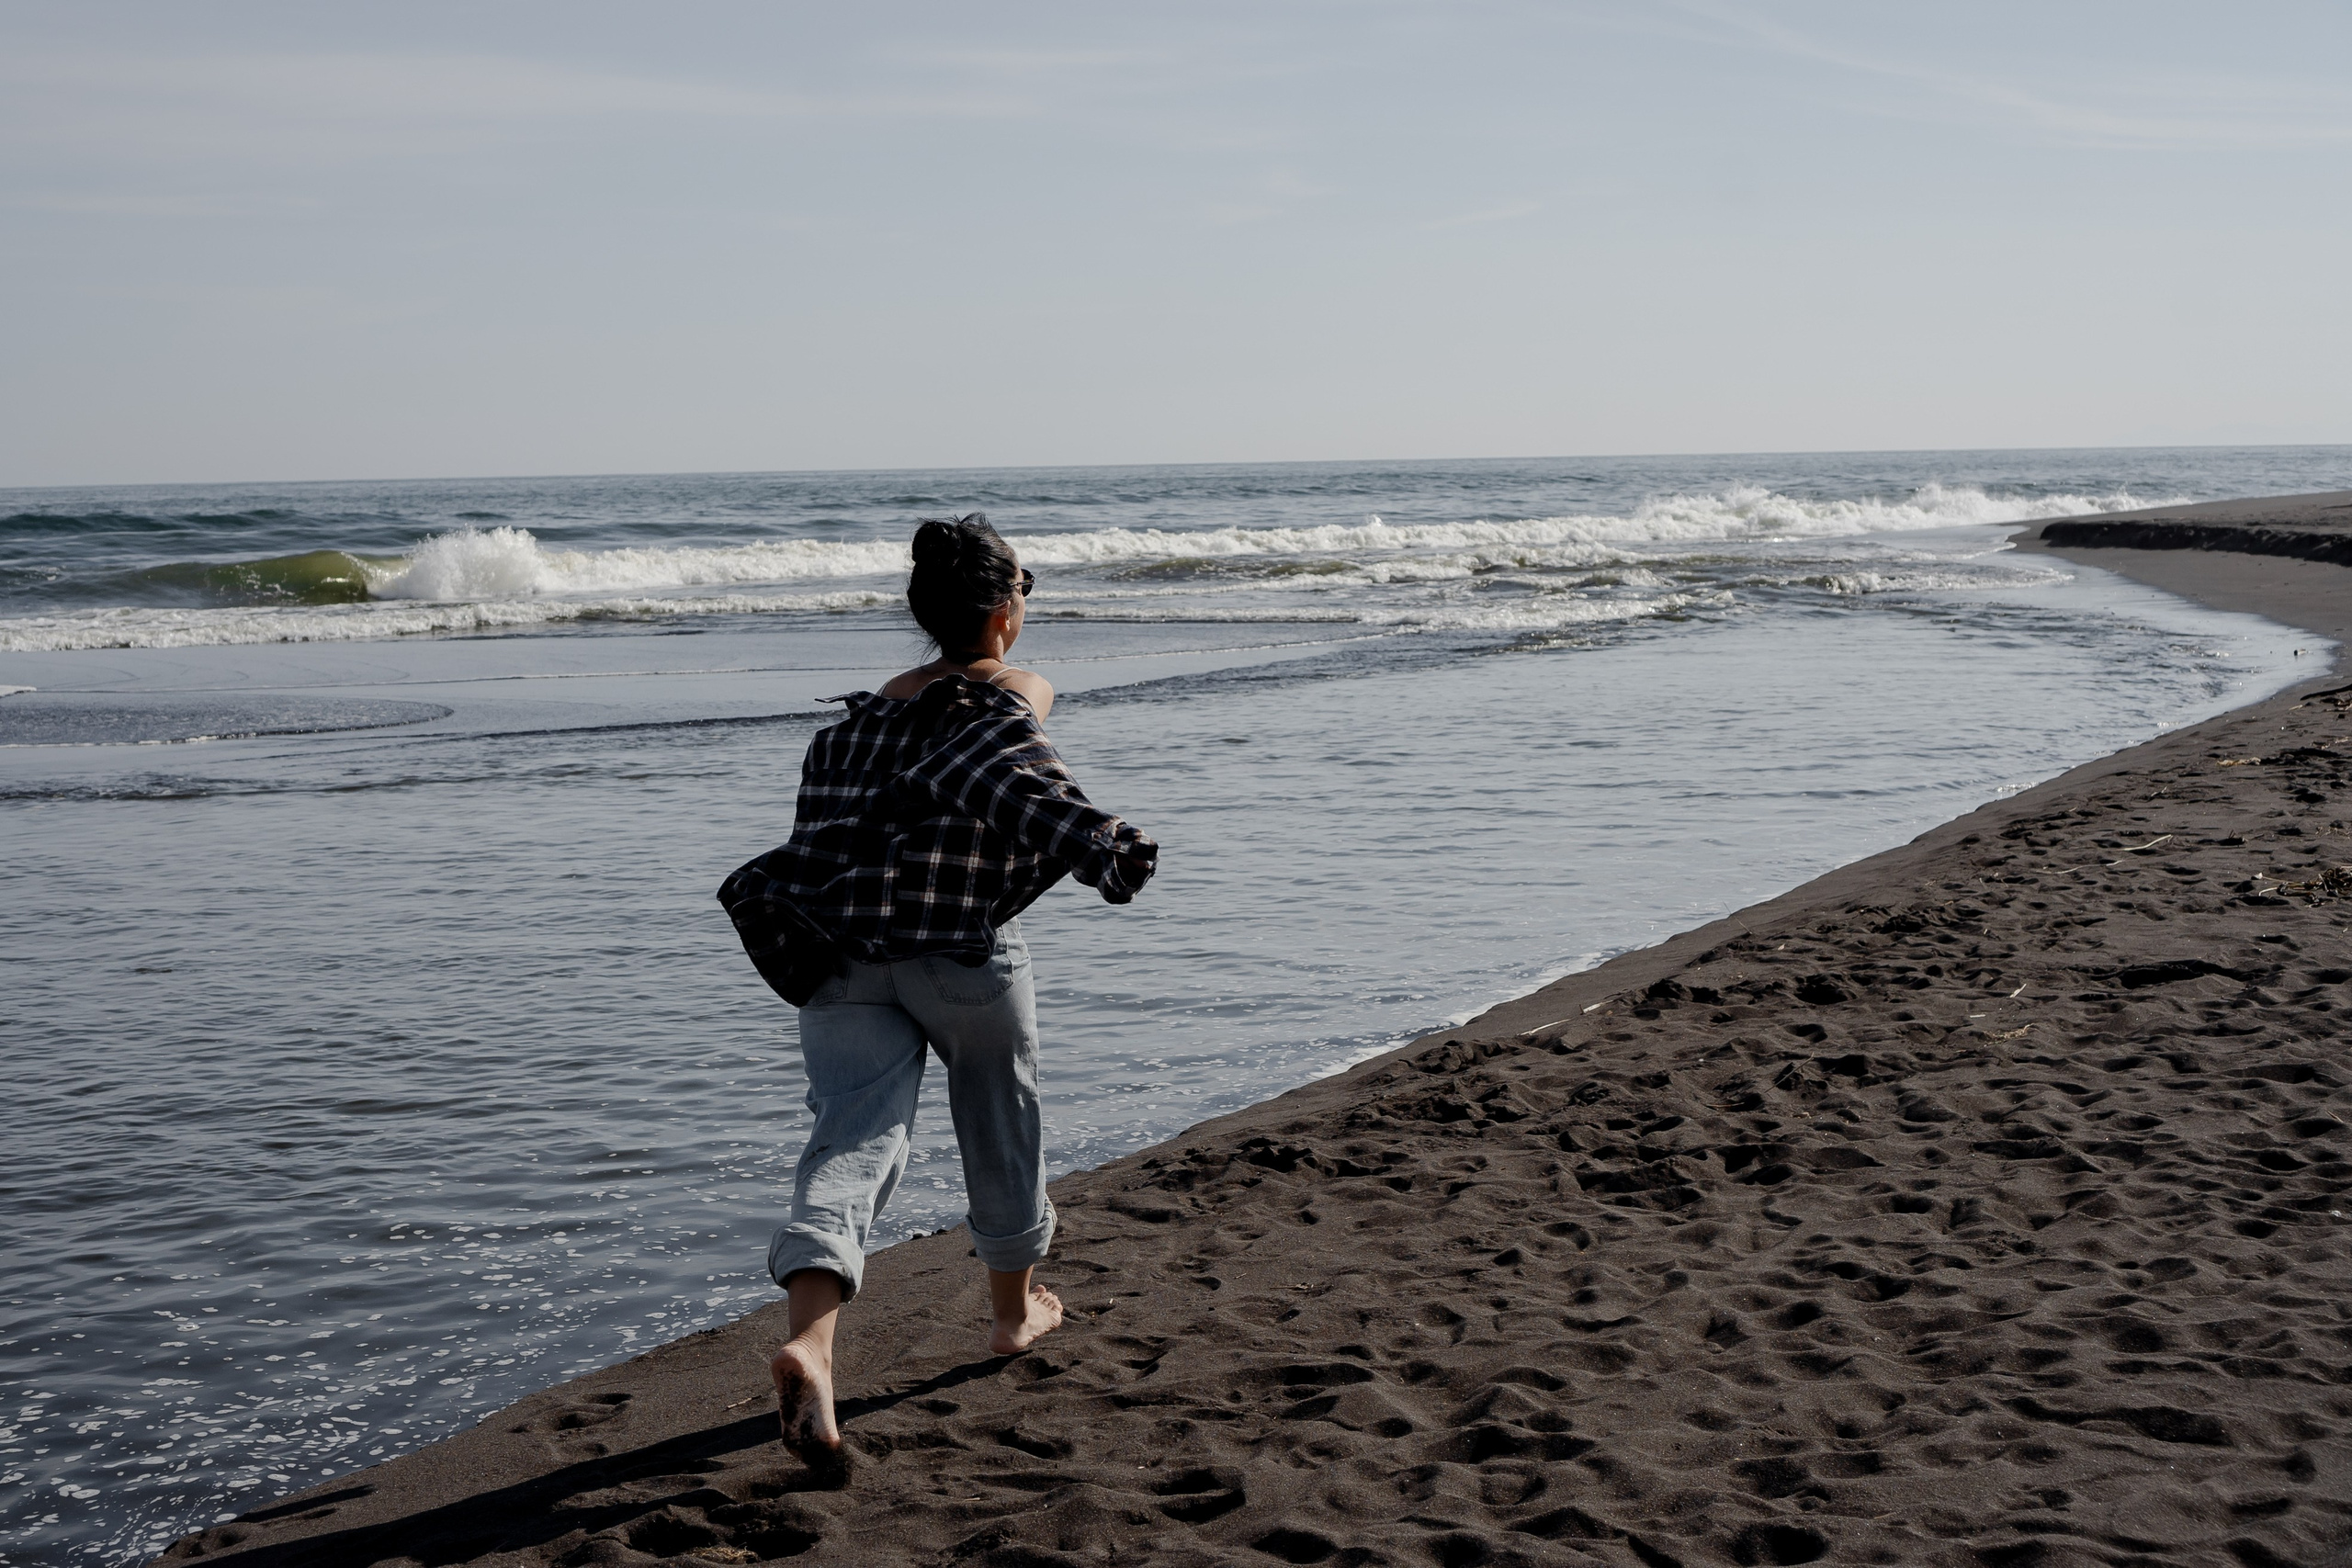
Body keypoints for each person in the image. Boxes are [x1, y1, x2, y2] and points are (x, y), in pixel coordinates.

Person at [716, 513, 1158, 1482]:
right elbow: (1011, 773)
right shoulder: (1010, 693)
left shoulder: (848, 727)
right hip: (955, 955)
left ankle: (812, 1345)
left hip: (837, 955)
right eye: (1024, 592)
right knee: (1000, 1116)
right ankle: (1011, 1314)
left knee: (850, 1140)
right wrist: (1108, 847)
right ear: (1002, 612)